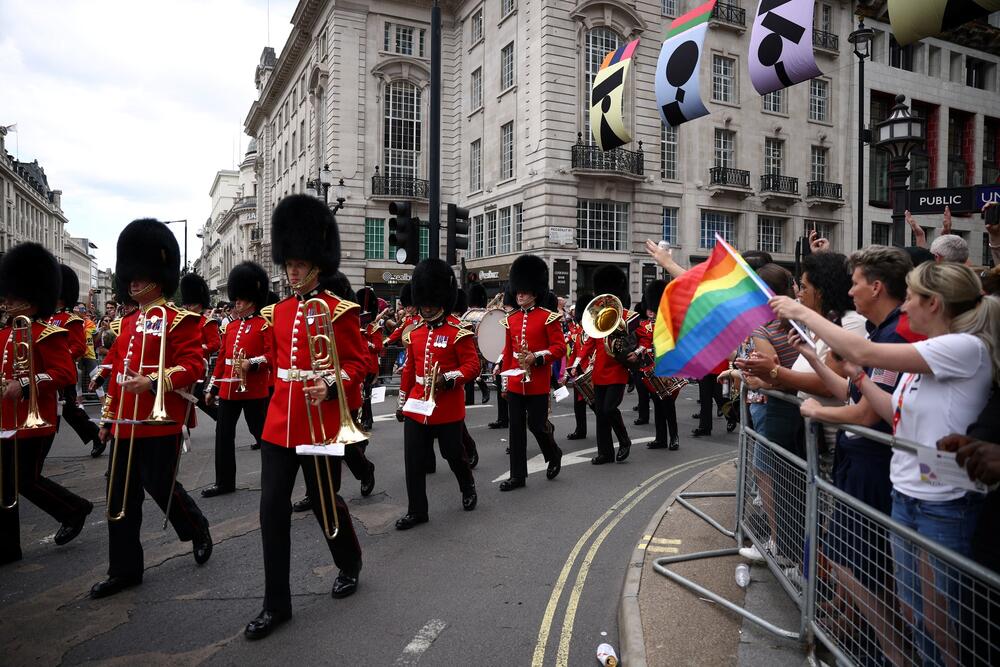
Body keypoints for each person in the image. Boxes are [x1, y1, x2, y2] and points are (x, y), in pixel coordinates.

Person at [771, 262, 1000, 665]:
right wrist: (858, 377)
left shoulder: (963, 346)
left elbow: (862, 349)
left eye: (912, 297)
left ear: (934, 303)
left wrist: (801, 311)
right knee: (916, 615)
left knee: (941, 625)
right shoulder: (926, 356)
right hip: (908, 496)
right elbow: (893, 410)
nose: (906, 306)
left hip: (943, 504)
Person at [244, 195, 364, 640]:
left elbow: (359, 364)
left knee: (324, 501)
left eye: (299, 263)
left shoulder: (339, 311)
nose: (292, 270)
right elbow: (277, 363)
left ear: (317, 263)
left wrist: (330, 384)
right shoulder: (276, 312)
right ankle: (276, 604)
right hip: (280, 423)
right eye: (288, 263)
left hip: (320, 422)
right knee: (270, 509)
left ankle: (349, 560)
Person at [91, 220, 212, 598]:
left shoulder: (180, 320)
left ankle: (195, 526)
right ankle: (124, 569)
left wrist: (156, 382)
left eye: (140, 276)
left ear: (158, 278)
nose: (132, 282)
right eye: (131, 275)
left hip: (162, 419)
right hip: (128, 421)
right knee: (119, 494)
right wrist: (108, 418)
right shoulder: (127, 322)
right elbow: (117, 372)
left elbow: (195, 366)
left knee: (160, 485)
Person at [0, 243, 93, 565]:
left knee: (25, 480)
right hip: (6, 420)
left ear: (30, 296)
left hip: (35, 421)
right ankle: (8, 547)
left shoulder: (46, 333)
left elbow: (64, 373)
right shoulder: (5, 333)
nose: (6, 301)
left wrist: (25, 384)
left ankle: (74, 508)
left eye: (12, 296)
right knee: (5, 487)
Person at [394, 259, 479, 530]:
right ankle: (417, 510)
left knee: (453, 454)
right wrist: (402, 400)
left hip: (447, 406)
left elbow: (472, 366)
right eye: (424, 301)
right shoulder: (415, 333)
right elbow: (409, 369)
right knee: (413, 460)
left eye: (431, 301)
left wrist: (450, 378)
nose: (427, 306)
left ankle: (467, 485)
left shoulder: (457, 331)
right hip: (418, 404)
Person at [202, 262, 273, 497]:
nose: (237, 302)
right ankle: (224, 481)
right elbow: (222, 361)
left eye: (241, 299)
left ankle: (274, 478)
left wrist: (252, 363)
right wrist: (212, 388)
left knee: (262, 435)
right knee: (223, 436)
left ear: (253, 299)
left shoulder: (263, 325)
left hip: (254, 389)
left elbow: (272, 356)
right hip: (229, 390)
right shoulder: (230, 328)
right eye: (237, 299)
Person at [497, 255, 565, 491]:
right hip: (516, 383)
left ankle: (553, 452)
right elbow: (507, 353)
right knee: (515, 430)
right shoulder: (511, 319)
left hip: (537, 382)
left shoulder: (548, 318)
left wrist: (537, 357)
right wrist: (505, 383)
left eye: (524, 291)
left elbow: (559, 348)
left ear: (535, 292)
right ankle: (517, 476)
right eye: (518, 291)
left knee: (537, 425)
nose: (519, 295)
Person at [582, 265, 637, 465]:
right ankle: (605, 453)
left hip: (617, 371)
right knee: (601, 414)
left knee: (609, 409)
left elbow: (634, 342)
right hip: (599, 371)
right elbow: (589, 341)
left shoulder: (628, 318)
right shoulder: (597, 316)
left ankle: (624, 440)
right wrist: (578, 361)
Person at [48, 265, 104, 457]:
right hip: (46, 373)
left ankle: (97, 436)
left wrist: (58, 359)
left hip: (62, 374)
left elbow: (79, 347)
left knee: (70, 410)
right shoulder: (48, 318)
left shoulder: (70, 319)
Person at [636, 280, 682, 450]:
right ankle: (661, 438)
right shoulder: (645, 326)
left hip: (667, 367)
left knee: (668, 404)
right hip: (651, 369)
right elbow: (642, 341)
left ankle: (674, 437)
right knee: (656, 403)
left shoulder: (670, 324)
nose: (651, 312)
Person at [180, 273, 221, 423]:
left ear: (199, 303)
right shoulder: (183, 321)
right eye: (188, 303)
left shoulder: (207, 322)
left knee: (197, 397)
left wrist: (200, 348)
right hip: (182, 366)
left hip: (199, 367)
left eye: (191, 303)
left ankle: (220, 417)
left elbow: (216, 344)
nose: (188, 306)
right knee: (183, 399)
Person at [565, 293, 594, 441]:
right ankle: (580, 430)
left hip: (592, 371)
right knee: (579, 404)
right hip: (580, 371)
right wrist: (569, 371)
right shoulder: (579, 333)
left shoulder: (595, 332)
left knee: (595, 405)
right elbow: (576, 353)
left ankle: (607, 426)